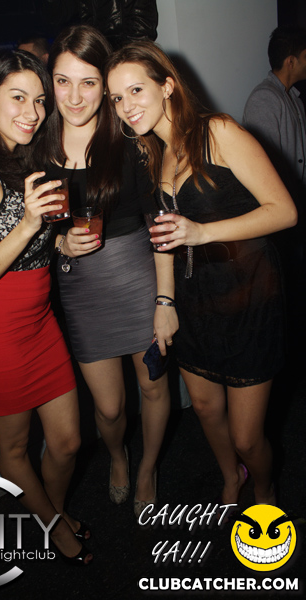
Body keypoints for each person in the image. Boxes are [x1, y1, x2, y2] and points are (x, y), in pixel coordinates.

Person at [106, 41, 297, 509]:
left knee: (248, 435)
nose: (126, 106)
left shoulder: (219, 131)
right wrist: (164, 303)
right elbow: (163, 238)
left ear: (167, 86)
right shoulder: (153, 154)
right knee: (208, 411)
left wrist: (203, 231)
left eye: (135, 90)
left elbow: (284, 211)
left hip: (248, 293)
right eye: (116, 98)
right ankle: (231, 478)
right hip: (194, 299)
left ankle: (264, 488)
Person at [0, 48, 92, 565]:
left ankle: (49, 510)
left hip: (39, 323)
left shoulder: (28, 160)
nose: (32, 112)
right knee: (13, 449)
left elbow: (30, 249)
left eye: (38, 100)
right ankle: (56, 527)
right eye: (17, 98)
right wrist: (31, 225)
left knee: (68, 442)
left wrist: (61, 243)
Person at [36, 25, 171, 518]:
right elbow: (24, 227)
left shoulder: (130, 137)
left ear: (105, 82)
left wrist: (165, 300)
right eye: (63, 81)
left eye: (89, 82)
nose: (74, 97)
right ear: (50, 81)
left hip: (138, 274)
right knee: (110, 407)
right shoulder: (36, 144)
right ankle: (118, 455)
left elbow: (159, 220)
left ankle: (148, 467)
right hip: (81, 288)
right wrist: (58, 241)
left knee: (153, 385)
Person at [243, 25, 306, 205]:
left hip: (297, 198)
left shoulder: (295, 98)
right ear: (291, 62)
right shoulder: (264, 98)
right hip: (281, 201)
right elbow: (264, 166)